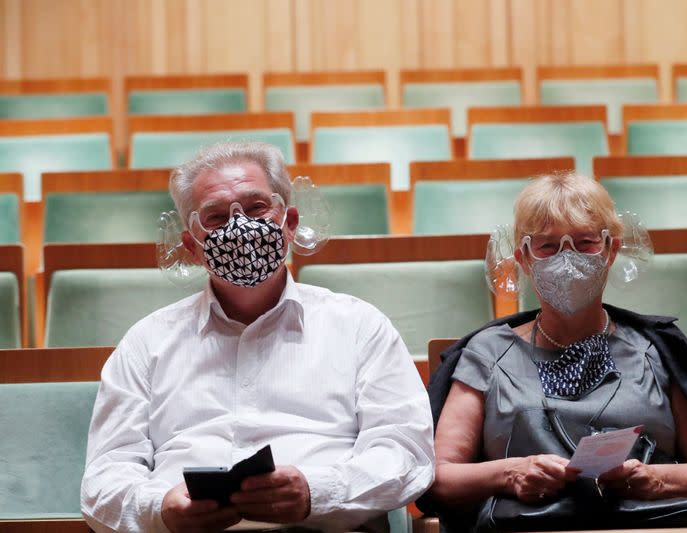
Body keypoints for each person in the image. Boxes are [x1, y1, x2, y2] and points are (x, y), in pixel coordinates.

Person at [80, 141, 435, 533]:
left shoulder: (359, 326)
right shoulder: (146, 343)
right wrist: (160, 508)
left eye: (256, 208)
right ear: (192, 247)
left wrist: (316, 492)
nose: (240, 227)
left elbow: (407, 453)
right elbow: (103, 482)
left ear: (290, 223)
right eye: (215, 217)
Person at [419, 172, 687, 531]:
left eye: (585, 242)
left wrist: (656, 479)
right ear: (524, 259)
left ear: (611, 250)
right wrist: (510, 473)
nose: (567, 258)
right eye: (547, 246)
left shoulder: (656, 349)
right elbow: (438, 477)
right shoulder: (486, 353)